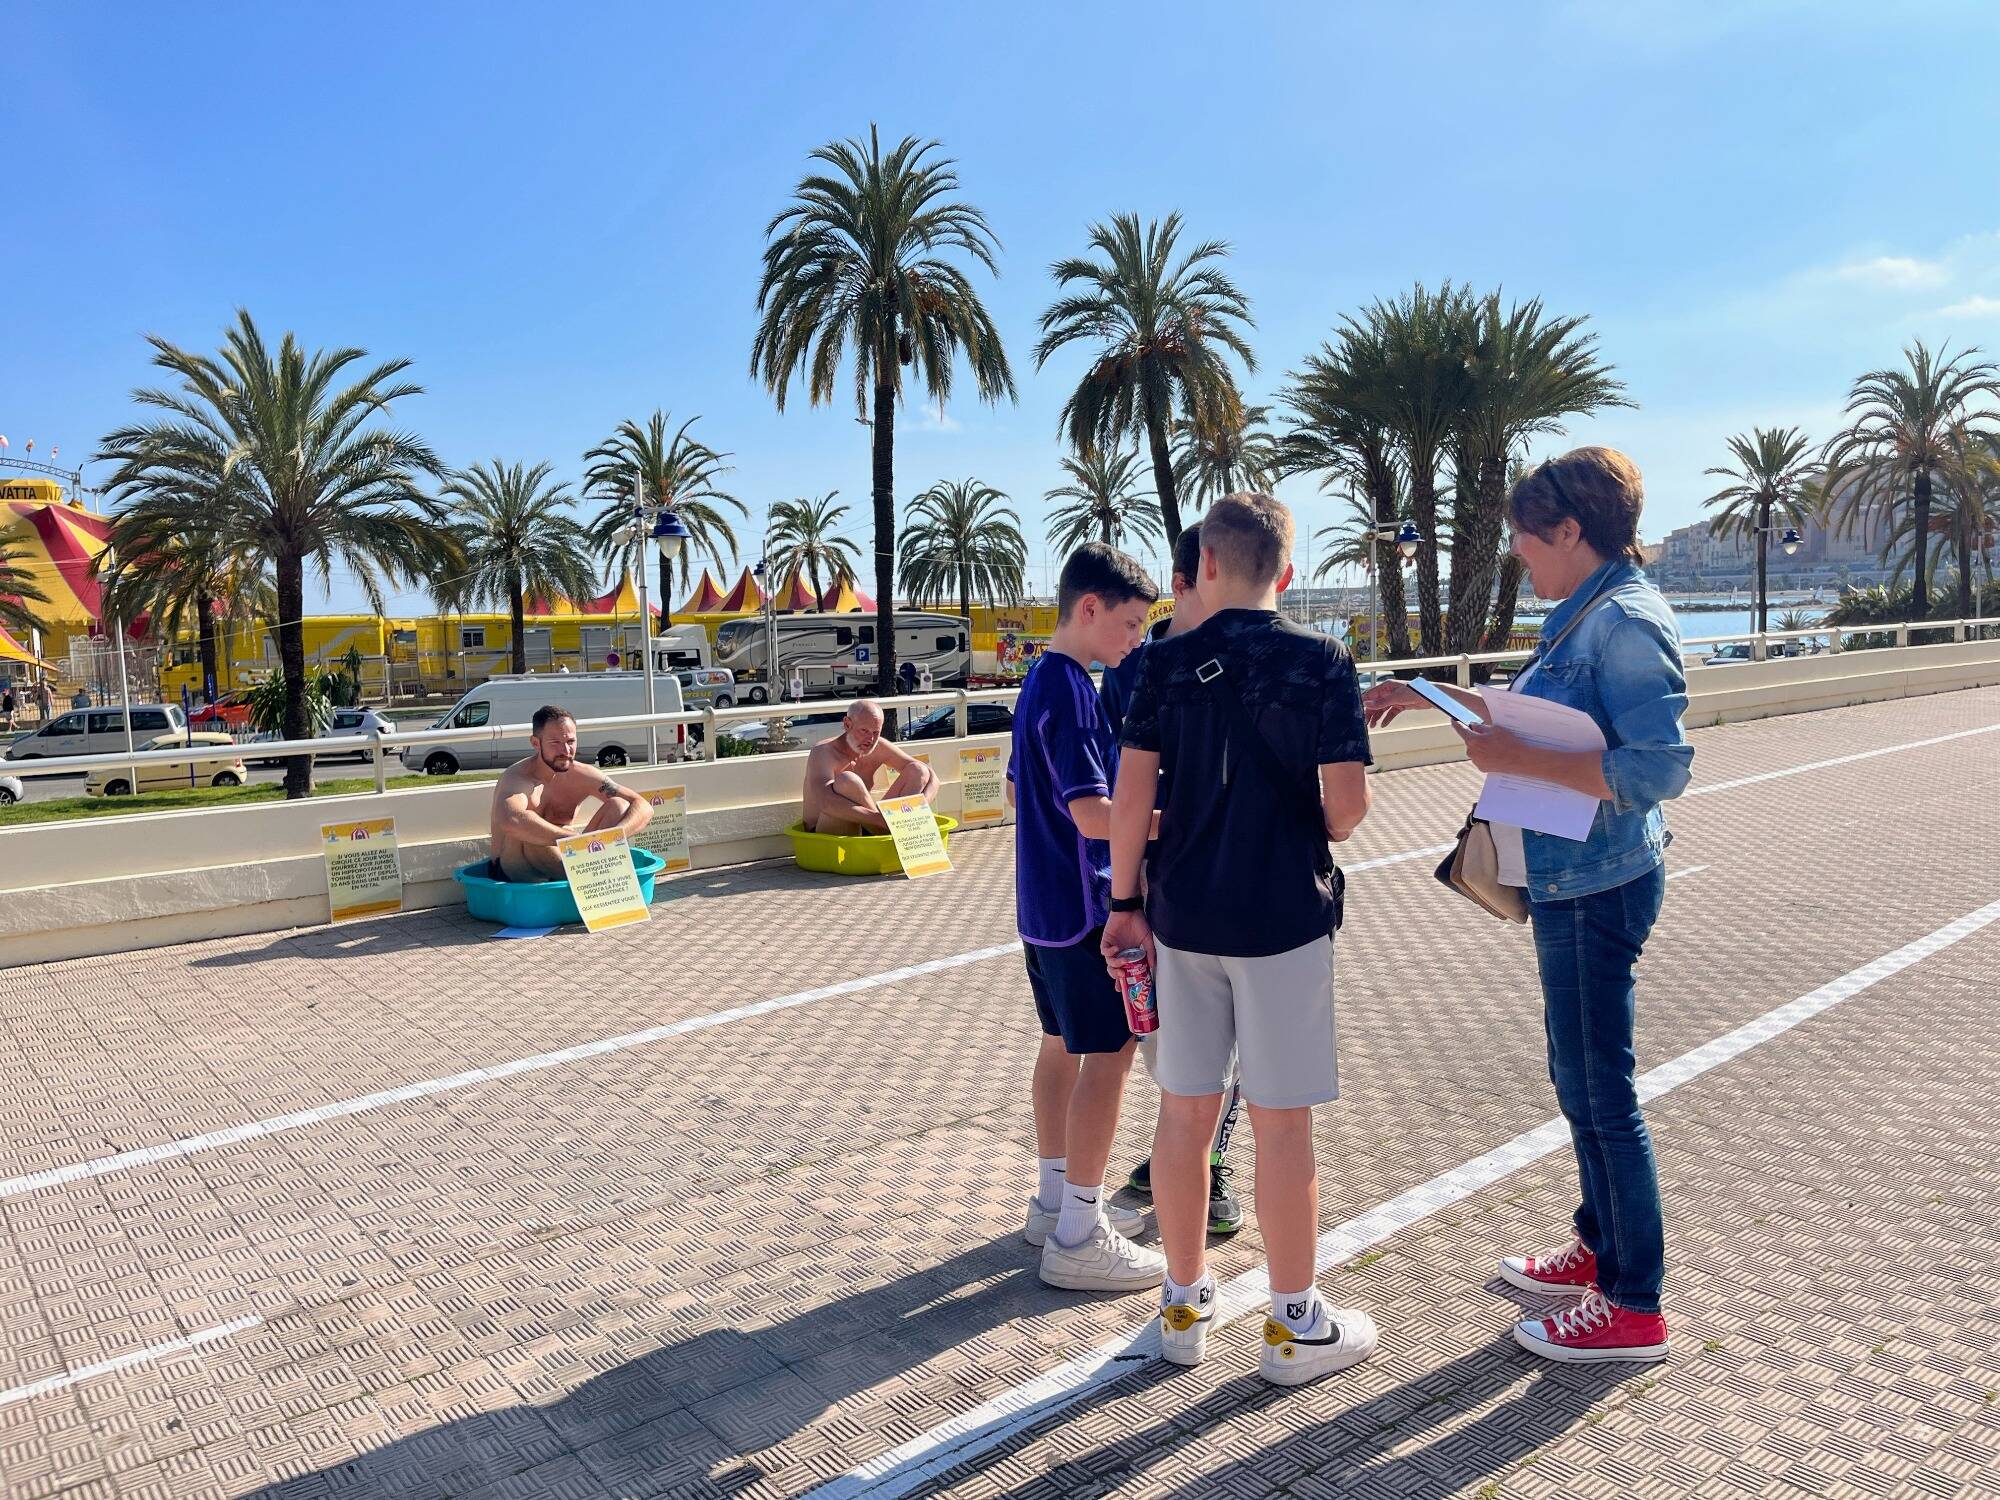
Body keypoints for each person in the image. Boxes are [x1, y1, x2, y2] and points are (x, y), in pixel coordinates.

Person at [1363, 446, 1692, 1364]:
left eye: (1525, 538)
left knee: (1600, 1089)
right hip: (1571, 877)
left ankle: (1633, 1304)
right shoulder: (1582, 610)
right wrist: (1427, 693)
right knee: (1575, 1075)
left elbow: (1659, 767)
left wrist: (1520, 762)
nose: (1518, 553)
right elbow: (1530, 708)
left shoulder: (1624, 622)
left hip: (1597, 884)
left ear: (1570, 531)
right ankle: (1600, 1244)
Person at [1103, 491, 1376, 1385]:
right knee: (1281, 1125)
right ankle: (1295, 1327)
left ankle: (1182, 1308)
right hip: (1283, 919)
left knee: (1184, 1114)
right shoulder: (1322, 660)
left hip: (1183, 918)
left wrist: (1125, 902)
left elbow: (1132, 800)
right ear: (1286, 573)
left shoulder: (1160, 663)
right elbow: (1346, 812)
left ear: (1207, 564)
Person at [1008, 543, 1163, 1293]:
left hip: (1042, 910)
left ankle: (1053, 1204)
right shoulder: (1072, 690)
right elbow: (1097, 815)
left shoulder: (1039, 678)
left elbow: (1018, 792)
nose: (1136, 639)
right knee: (1109, 1056)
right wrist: (1178, 822)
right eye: (1131, 624)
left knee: (1059, 1049)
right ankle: (1079, 1231)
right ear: (1091, 608)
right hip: (1083, 911)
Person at [1099, 523, 1246, 1239]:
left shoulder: (1257, 656)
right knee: (1164, 1039)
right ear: (1189, 582)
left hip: (1244, 890)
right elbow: (1117, 794)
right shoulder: (1133, 670)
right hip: (1162, 889)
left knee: (1237, 1039)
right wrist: (1126, 890)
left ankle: (1209, 1161)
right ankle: (1179, 1153)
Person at [490, 705, 654, 882]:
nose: (566, 751)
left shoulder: (581, 775)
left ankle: (590, 876)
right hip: (516, 870)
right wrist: (573, 839)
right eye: (555, 743)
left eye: (570, 741)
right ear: (536, 743)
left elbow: (643, 806)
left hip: (567, 857)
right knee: (530, 830)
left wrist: (613, 838)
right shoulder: (517, 778)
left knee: (619, 805)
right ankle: (591, 878)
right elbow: (510, 820)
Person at [800, 699, 938, 835]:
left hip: (870, 825)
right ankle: (890, 829)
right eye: (864, 731)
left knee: (918, 770)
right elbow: (825, 803)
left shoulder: (879, 747)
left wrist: (920, 806)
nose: (870, 739)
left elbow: (931, 776)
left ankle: (897, 829)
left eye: (875, 732)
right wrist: (880, 820)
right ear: (847, 724)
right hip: (822, 834)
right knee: (847, 781)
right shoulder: (823, 751)